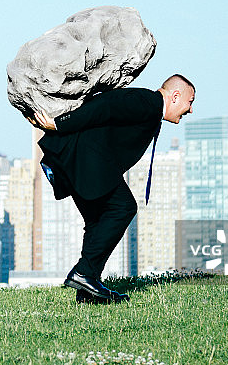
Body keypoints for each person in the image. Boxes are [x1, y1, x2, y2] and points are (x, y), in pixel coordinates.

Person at [30, 74, 195, 304]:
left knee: (97, 220)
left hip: (80, 160)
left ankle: (87, 291)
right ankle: (84, 273)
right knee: (123, 207)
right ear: (176, 96)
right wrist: (60, 123)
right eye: (190, 102)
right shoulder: (147, 102)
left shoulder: (149, 107)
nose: (190, 110)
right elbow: (103, 106)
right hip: (86, 160)